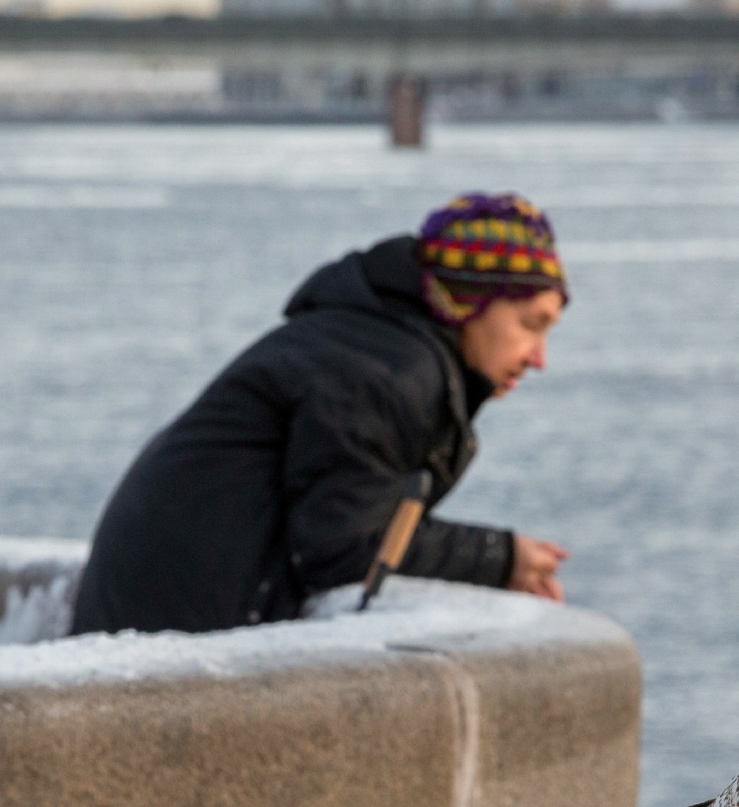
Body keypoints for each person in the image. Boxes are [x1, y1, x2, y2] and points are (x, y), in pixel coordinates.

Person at [69, 192, 571, 636]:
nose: (539, 357)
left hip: (152, 630)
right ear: (468, 300)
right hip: (167, 650)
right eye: (531, 324)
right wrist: (501, 558)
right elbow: (346, 550)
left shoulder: (370, 345)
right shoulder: (385, 372)